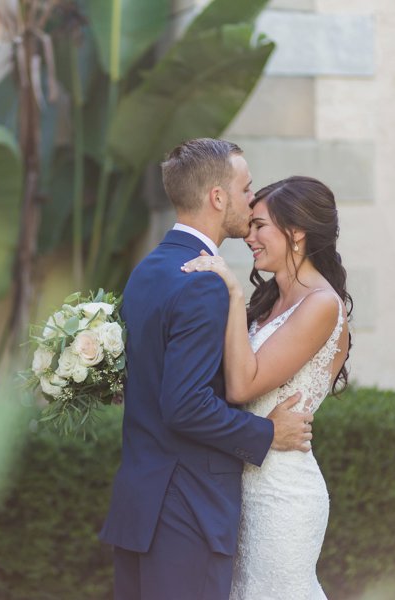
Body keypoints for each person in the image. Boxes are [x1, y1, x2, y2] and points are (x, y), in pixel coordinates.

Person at [99, 139, 314, 600]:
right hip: (185, 515)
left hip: (141, 508)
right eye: (245, 189)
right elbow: (185, 405)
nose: (251, 201)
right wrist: (266, 433)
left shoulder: (148, 270)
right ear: (217, 198)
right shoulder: (203, 281)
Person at [181, 175, 353, 599]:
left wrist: (234, 292)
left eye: (260, 227)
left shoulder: (321, 305)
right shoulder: (272, 300)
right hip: (240, 484)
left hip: (283, 497)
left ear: (296, 234)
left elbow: (242, 386)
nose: (249, 236)